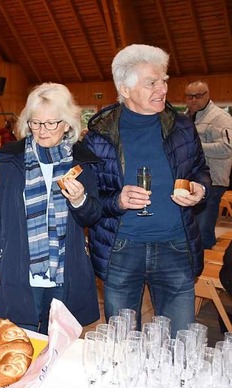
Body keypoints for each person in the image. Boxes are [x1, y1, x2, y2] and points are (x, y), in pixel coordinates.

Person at [84, 44, 211, 336]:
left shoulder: (181, 126)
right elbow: (89, 203)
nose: (162, 88)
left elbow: (200, 170)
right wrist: (117, 200)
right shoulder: (99, 136)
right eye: (151, 82)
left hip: (176, 246)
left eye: (164, 80)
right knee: (123, 341)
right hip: (121, 249)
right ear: (125, 90)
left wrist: (199, 190)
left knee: (180, 341)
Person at [0, 83, 102, 334]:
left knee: (58, 342)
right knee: (17, 338)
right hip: (18, 267)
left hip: (65, 270)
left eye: (50, 123)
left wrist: (80, 201)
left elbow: (93, 215)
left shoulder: (82, 163)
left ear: (67, 124)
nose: (41, 130)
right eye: (35, 123)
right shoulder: (11, 160)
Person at [185, 80, 232, 249]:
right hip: (193, 179)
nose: (193, 100)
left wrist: (194, 147)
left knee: (202, 229)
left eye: (198, 95)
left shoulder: (220, 117)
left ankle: (206, 269)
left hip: (213, 181)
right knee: (191, 228)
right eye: (189, 96)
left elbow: (227, 148)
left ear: (208, 94)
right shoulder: (187, 116)